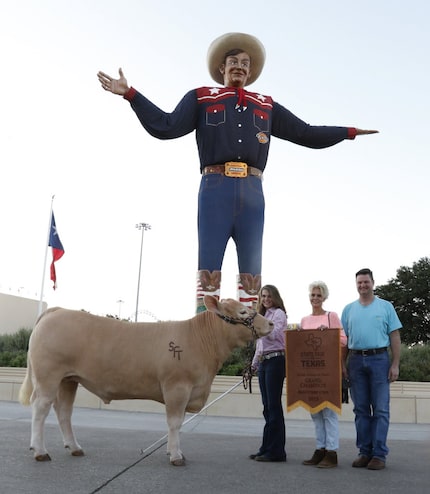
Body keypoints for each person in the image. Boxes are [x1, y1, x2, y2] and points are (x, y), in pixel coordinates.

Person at [97, 32, 378, 313]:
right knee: (208, 263)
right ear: (222, 68)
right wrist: (131, 94)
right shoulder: (202, 97)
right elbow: (167, 125)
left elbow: (305, 133)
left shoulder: (265, 105)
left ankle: (249, 338)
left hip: (253, 191)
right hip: (215, 187)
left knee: (252, 271)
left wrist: (348, 132)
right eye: (233, 61)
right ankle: (206, 326)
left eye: (246, 63)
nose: (240, 66)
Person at [341, 268, 402, 470]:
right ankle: (364, 452)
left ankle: (379, 455)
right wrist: (342, 364)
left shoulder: (386, 307)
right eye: (359, 282)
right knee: (360, 410)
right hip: (356, 361)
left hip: (379, 360)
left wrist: (395, 364)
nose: (362, 286)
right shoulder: (349, 310)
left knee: (381, 409)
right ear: (356, 284)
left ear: (373, 283)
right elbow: (344, 341)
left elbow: (395, 337)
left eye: (366, 282)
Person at [300, 281, 347, 468]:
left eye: (319, 295)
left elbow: (344, 340)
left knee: (329, 412)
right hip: (310, 371)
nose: (315, 298)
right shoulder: (304, 320)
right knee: (315, 411)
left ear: (324, 297)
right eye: (313, 295)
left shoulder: (331, 316)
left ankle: (332, 452)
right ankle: (320, 449)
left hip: (328, 370)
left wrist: (327, 333)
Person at [249, 285, 287, 462]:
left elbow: (275, 335)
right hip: (264, 362)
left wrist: (262, 326)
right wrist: (254, 364)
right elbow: (260, 344)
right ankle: (266, 447)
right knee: (267, 407)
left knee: (274, 406)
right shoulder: (262, 316)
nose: (266, 299)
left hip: (276, 360)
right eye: (263, 296)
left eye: (269, 296)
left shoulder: (279, 314)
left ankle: (277, 451)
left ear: (275, 297)